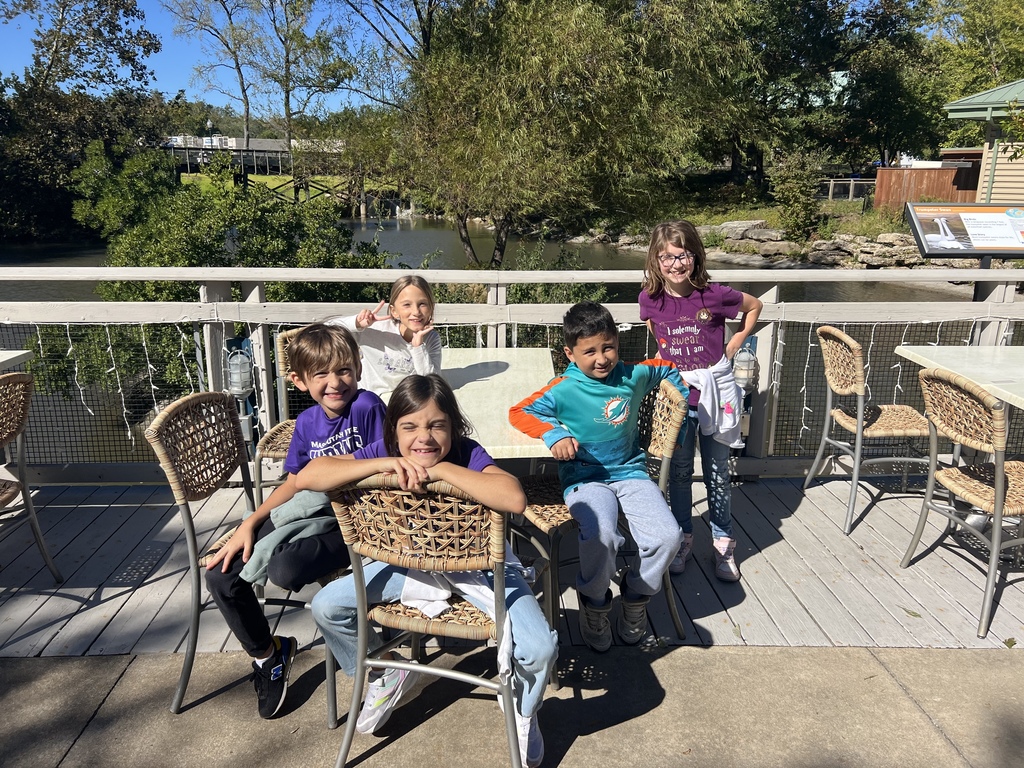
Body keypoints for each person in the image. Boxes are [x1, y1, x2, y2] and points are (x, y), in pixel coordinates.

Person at [297, 374, 556, 768]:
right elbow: (309, 475)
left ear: (453, 427)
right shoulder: (384, 450)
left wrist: (440, 473)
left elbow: (514, 498)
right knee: (327, 606)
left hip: (485, 569)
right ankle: (384, 674)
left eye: (437, 425)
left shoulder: (467, 454)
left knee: (539, 648)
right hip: (407, 565)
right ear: (393, 431)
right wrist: (387, 462)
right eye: (410, 427)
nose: (425, 437)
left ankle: (524, 709)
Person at [205, 323, 386, 719]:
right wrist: (250, 522)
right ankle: (268, 656)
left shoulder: (367, 407)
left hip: (357, 520)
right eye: (321, 374)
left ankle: (373, 657)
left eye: (343, 370)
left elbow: (381, 465)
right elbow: (296, 482)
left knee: (286, 570)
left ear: (357, 367)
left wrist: (323, 472)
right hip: (308, 511)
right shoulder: (306, 424)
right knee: (220, 575)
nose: (335, 382)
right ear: (299, 381)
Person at [508, 301, 686, 653]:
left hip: (631, 472)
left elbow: (667, 368)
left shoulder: (632, 376)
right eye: (589, 351)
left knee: (669, 536)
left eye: (608, 347)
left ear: (617, 342)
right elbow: (520, 411)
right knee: (602, 534)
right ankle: (595, 602)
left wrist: (679, 423)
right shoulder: (562, 389)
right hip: (584, 478)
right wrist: (554, 433)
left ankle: (636, 597)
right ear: (570, 354)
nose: (601, 358)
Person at [639, 220, 763, 582]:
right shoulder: (650, 298)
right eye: (667, 257)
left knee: (717, 473)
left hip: (717, 395)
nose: (676, 265)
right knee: (678, 472)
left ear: (696, 256)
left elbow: (754, 306)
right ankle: (683, 536)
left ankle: (723, 541)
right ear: (655, 260)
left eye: (683, 256)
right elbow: (655, 329)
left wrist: (736, 340)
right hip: (678, 399)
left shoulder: (714, 294)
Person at [327, 275, 442, 400]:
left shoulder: (431, 338)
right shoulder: (374, 329)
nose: (416, 312)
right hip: (367, 400)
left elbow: (432, 383)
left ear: (431, 308)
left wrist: (418, 347)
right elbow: (326, 330)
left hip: (403, 403)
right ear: (394, 311)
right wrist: (357, 324)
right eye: (407, 305)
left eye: (422, 304)